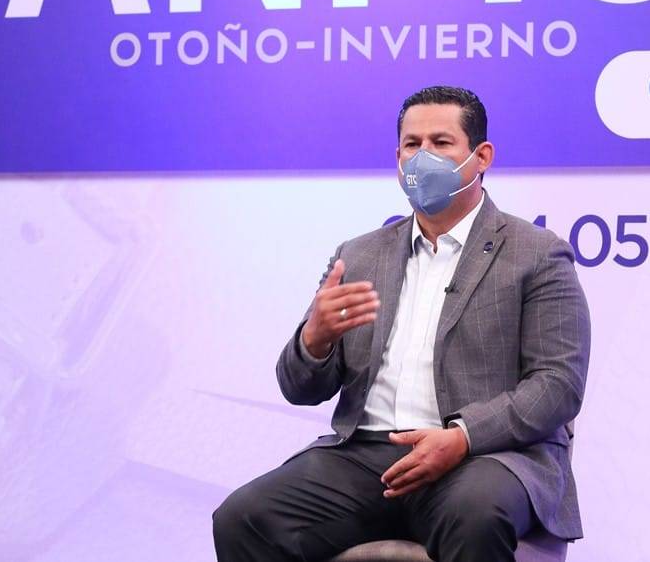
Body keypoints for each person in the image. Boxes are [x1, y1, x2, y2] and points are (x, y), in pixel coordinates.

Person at [213, 86, 591, 562]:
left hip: (483, 455)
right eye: (412, 145)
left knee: (476, 513)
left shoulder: (536, 253)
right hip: (365, 457)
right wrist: (315, 340)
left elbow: (558, 384)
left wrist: (463, 437)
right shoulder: (359, 255)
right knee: (244, 518)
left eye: (441, 142)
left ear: (481, 156)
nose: (422, 157)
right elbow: (299, 388)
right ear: (397, 158)